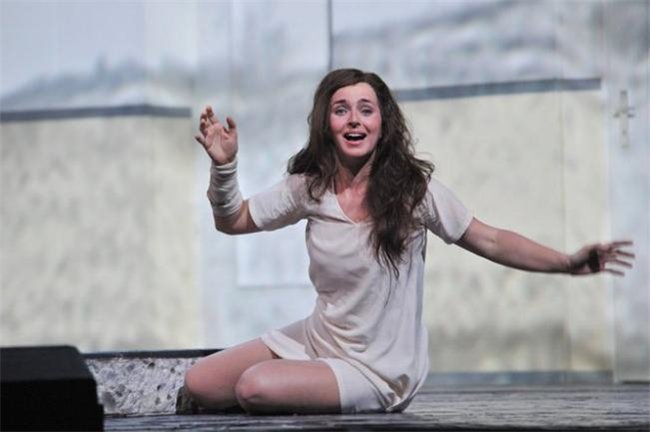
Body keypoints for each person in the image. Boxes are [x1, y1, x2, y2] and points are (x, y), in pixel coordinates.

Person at [184, 68, 634, 415]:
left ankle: (322, 393)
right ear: (326, 123)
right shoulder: (309, 187)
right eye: (341, 109)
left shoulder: (413, 191)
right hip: (321, 338)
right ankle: (307, 385)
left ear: (383, 122)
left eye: (366, 109)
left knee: (254, 386)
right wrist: (224, 167)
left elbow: (491, 239)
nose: (354, 119)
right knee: (200, 382)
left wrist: (567, 262)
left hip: (378, 368)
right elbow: (234, 221)